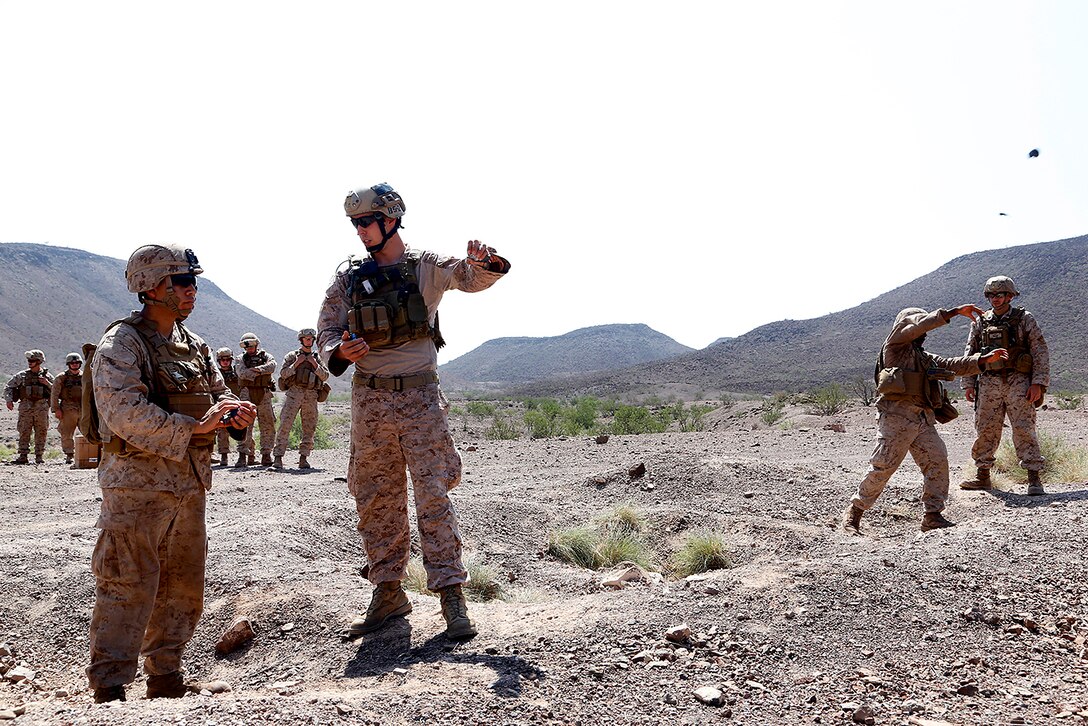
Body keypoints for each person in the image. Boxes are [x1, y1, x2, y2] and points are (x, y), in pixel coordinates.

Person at [317, 183, 510, 640]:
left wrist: (488, 264)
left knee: (433, 497)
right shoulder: (347, 280)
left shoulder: (425, 267)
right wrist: (341, 350)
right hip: (370, 402)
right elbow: (325, 332)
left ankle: (451, 596)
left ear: (391, 219)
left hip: (420, 400)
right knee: (376, 498)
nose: (361, 231)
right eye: (356, 224)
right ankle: (388, 592)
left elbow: (469, 276)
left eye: (368, 221)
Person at [86, 243, 255, 703]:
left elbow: (218, 397)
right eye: (180, 282)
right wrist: (194, 427)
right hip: (136, 484)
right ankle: (110, 686)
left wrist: (234, 417)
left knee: (183, 582)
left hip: (188, 482)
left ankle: (165, 677)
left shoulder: (194, 344)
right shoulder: (123, 342)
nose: (191, 290)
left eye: (192, 281)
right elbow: (122, 412)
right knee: (127, 581)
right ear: (150, 287)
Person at [844, 305, 1007, 534]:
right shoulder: (895, 346)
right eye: (918, 326)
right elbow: (915, 326)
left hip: (922, 419)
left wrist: (982, 360)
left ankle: (932, 516)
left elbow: (951, 365)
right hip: (897, 419)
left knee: (937, 461)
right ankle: (854, 513)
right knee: (883, 466)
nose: (923, 333)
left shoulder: (922, 357)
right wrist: (952, 313)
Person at [960, 276, 1050, 495]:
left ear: (1010, 296)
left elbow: (1039, 351)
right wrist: (968, 383)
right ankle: (982, 476)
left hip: (1018, 380)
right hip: (989, 382)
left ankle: (1034, 479)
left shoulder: (1024, 319)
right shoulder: (981, 321)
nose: (995, 299)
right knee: (985, 429)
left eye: (999, 295)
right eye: (990, 295)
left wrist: (1038, 383)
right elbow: (970, 352)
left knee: (1024, 428)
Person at [272, 328, 330, 470]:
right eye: (307, 338)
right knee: (285, 424)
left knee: (309, 427)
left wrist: (314, 364)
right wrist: (297, 363)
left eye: (311, 338)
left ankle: (303, 458)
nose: (309, 341)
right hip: (294, 393)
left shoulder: (317, 358)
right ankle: (278, 458)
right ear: (301, 340)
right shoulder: (292, 356)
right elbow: (283, 374)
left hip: (311, 395)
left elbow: (325, 376)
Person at [233, 333, 277, 468]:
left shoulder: (266, 357)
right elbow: (241, 373)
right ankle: (243, 455)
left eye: (251, 346)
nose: (249, 349)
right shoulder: (240, 358)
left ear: (256, 344)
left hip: (264, 393)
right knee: (244, 423)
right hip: (246, 393)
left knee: (267, 424)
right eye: (247, 347)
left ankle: (266, 454)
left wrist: (257, 370)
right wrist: (261, 373)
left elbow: (272, 366)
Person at [4, 350, 54, 465]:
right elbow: (8, 387)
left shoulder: (47, 376)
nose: (30, 362)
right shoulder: (22, 375)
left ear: (39, 362)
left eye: (32, 360)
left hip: (41, 407)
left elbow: (56, 390)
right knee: (24, 430)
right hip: (25, 406)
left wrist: (47, 383)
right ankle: (23, 455)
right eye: (29, 360)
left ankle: (39, 456)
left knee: (41, 431)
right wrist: (9, 400)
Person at [50, 352, 84, 465]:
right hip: (68, 408)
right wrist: (56, 409)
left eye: (76, 363)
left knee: (88, 431)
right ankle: (70, 455)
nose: (74, 365)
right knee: (67, 433)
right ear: (68, 364)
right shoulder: (61, 378)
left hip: (83, 408)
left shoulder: (85, 377)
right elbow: (54, 394)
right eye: (72, 363)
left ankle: (87, 454)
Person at [214, 347, 242, 467]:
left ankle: (246, 456)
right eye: (222, 360)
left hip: (238, 403)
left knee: (243, 428)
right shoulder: (215, 374)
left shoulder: (238, 372)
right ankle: (224, 456)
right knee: (222, 430)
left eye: (227, 359)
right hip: (222, 405)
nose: (225, 362)